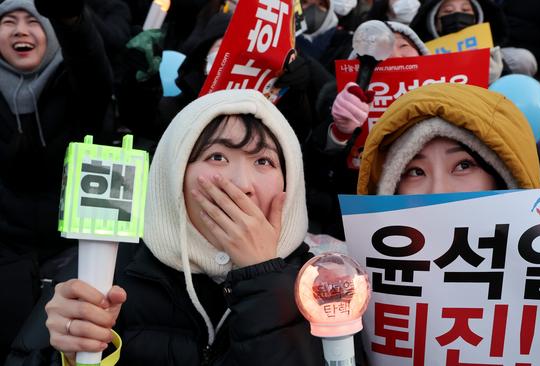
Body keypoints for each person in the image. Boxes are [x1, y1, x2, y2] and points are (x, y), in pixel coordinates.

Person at [12, 89, 326, 365]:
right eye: (216, 156)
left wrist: (263, 277)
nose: (242, 185)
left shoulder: (324, 284)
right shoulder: (111, 268)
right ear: (173, 174)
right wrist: (71, 353)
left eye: (263, 161)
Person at [356, 82, 540, 365]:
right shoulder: (358, 288)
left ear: (502, 174)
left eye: (463, 165)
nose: (438, 190)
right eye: (415, 171)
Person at [0, 0, 112, 360]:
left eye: (32, 20)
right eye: (7, 21)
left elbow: (94, 72)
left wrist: (71, 20)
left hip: (70, 256)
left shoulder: (75, 81)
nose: (20, 30)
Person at [304, 20, 429, 240]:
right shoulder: (337, 110)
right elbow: (315, 179)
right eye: (384, 48)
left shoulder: (449, 103)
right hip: (359, 228)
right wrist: (338, 132)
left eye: (404, 46)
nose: (394, 55)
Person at [409, 0, 539, 83]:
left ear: (476, 18)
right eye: (448, 11)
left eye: (466, 10)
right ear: (435, 22)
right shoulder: (421, 57)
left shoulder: (492, 54)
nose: (458, 14)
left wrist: (497, 78)